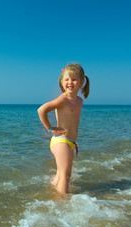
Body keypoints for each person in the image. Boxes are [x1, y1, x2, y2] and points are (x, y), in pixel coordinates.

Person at [38, 63, 90, 194]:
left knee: (61, 175)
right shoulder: (63, 99)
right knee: (66, 177)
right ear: (61, 82)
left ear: (81, 82)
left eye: (74, 79)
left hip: (69, 142)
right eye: (66, 79)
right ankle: (63, 206)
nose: (70, 82)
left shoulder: (79, 100)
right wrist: (50, 128)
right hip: (61, 141)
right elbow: (41, 110)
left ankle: (51, 195)